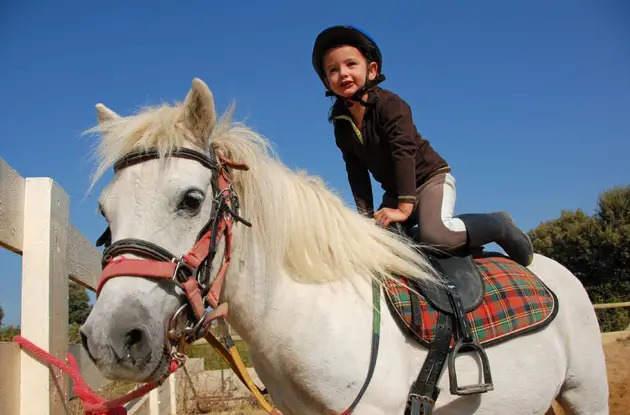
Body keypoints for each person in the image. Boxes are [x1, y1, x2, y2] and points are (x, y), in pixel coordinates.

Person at [311, 25, 534, 267]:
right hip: (397, 193)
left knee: (437, 236)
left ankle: (497, 224)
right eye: (333, 70)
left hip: (429, 180)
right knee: (378, 244)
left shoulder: (391, 104)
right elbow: (356, 173)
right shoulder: (341, 125)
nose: (343, 73)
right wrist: (365, 218)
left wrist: (405, 208)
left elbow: (403, 152)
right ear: (326, 81)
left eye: (351, 64)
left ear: (372, 70)